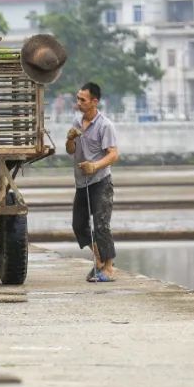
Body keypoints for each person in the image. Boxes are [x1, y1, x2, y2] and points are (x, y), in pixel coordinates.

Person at [65, 82, 119, 283]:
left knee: (101, 225)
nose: (78, 103)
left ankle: (109, 268)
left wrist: (94, 166)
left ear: (94, 102)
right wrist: (69, 139)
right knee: (79, 225)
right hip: (82, 183)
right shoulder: (76, 121)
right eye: (78, 98)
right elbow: (71, 150)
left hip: (100, 180)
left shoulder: (105, 125)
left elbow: (113, 155)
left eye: (83, 100)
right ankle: (98, 257)